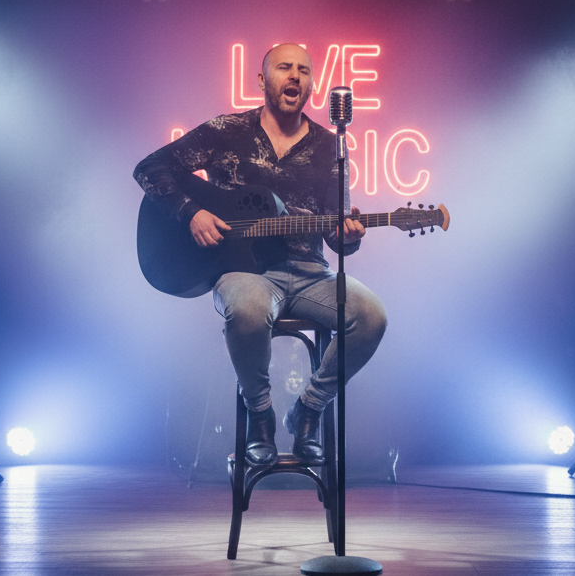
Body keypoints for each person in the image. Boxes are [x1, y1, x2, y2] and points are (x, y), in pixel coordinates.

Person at [134, 43, 387, 467]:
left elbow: (337, 237)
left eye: (304, 70)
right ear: (261, 80)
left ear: (311, 84)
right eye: (284, 67)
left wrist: (350, 235)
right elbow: (149, 168)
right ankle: (260, 414)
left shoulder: (333, 148)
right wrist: (191, 211)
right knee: (248, 310)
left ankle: (309, 408)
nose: (295, 76)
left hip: (310, 271)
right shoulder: (226, 130)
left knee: (372, 316)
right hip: (244, 271)